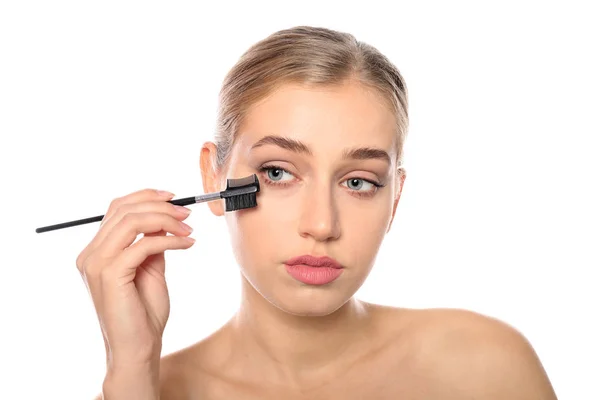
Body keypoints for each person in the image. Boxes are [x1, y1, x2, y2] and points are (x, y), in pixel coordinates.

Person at [80, 26, 557, 399]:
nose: (322, 225)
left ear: (395, 198)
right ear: (214, 176)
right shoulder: (140, 389)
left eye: (358, 182)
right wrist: (133, 371)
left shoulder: (485, 366)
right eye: (278, 173)